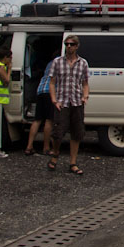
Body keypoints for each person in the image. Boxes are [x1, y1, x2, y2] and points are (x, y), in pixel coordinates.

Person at [48, 35, 90, 175]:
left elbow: (85, 83)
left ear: (77, 46)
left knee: (76, 133)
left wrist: (85, 96)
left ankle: (73, 162)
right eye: (66, 44)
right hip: (62, 102)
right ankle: (55, 154)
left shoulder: (83, 63)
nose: (69, 46)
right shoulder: (57, 62)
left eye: (71, 44)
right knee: (58, 133)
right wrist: (54, 100)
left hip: (77, 102)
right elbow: (52, 82)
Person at [24, 60, 54, 156]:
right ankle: (46, 148)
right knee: (49, 120)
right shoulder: (60, 62)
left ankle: (29, 147)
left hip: (40, 90)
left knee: (37, 120)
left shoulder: (49, 63)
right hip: (49, 92)